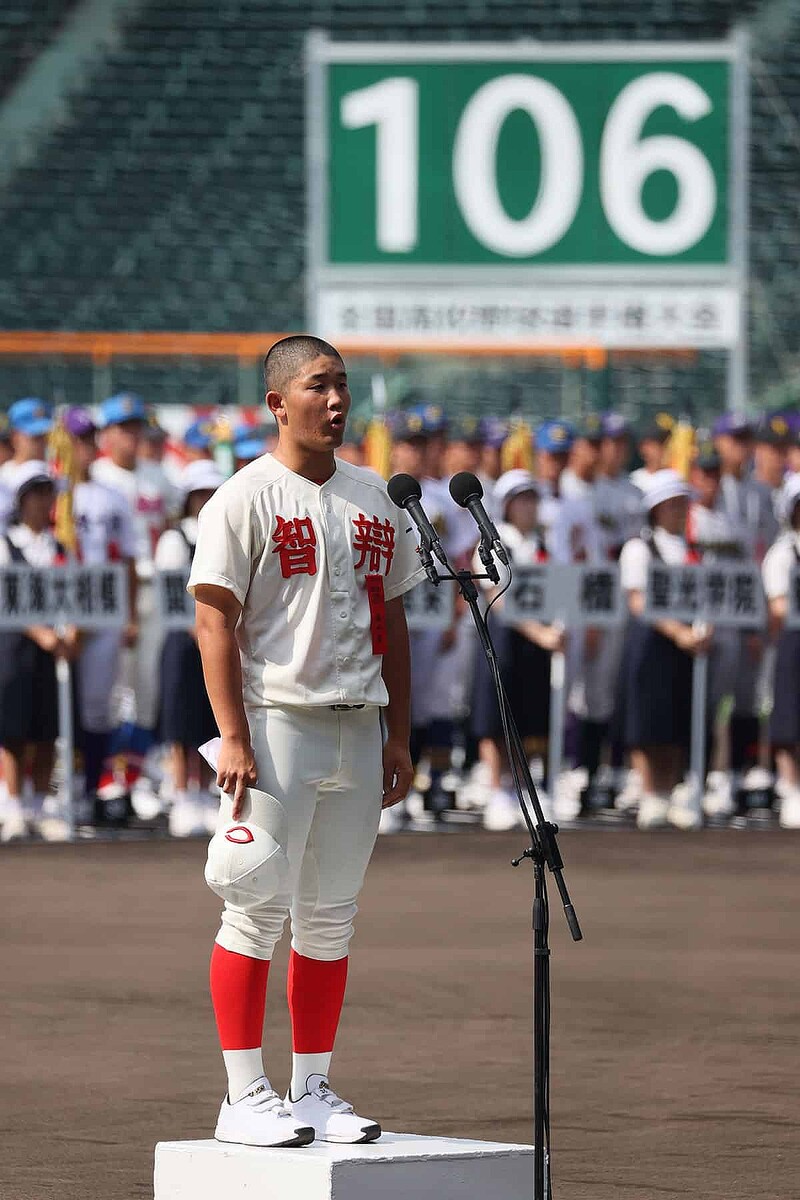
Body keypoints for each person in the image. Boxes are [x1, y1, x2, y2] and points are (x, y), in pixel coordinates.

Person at [188, 335, 424, 1147]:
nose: (336, 401)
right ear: (276, 404)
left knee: (330, 918)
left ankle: (313, 1086)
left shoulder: (376, 498)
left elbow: (395, 619)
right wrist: (232, 736)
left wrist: (401, 733)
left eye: (344, 386)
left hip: (360, 726)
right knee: (252, 904)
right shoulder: (243, 497)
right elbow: (213, 620)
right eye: (319, 386)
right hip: (275, 725)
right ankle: (242, 1093)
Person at [616, 470, 711, 830]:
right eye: (670, 504)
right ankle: (650, 791)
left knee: (677, 716)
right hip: (651, 642)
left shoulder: (695, 551)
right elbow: (638, 600)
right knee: (647, 718)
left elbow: (710, 598)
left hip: (686, 645)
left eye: (681, 504)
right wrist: (678, 632)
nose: (678, 511)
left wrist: (701, 632)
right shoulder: (639, 547)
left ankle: (672, 791)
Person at [471, 470, 563, 832]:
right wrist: (540, 633)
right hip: (504, 639)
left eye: (533, 499)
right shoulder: (493, 545)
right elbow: (499, 598)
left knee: (531, 714)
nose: (529, 507)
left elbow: (559, 589)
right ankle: (497, 790)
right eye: (521, 499)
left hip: (538, 641)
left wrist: (553, 630)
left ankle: (527, 789)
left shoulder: (544, 546)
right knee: (497, 713)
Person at [61, 407, 139, 824]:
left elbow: (127, 558)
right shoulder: (47, 491)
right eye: (77, 439)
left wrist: (130, 615)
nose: (84, 447)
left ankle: (88, 791)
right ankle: (50, 791)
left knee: (96, 708)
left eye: (89, 438)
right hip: (55, 605)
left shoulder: (111, 496)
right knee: (47, 702)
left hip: (101, 606)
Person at [0, 462, 79, 842]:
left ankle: (39, 806)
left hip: (54, 651)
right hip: (15, 648)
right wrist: (42, 633)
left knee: (47, 729)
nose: (43, 500)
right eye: (36, 492)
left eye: (48, 492)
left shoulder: (59, 546)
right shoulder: (5, 542)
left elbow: (78, 595)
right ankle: (15, 806)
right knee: (14, 731)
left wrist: (71, 635)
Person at [155, 459, 225, 837]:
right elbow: (171, 595)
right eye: (200, 493)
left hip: (216, 640)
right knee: (182, 720)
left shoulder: (224, 534)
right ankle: (183, 793)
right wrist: (200, 631)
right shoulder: (175, 539)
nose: (207, 499)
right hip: (184, 643)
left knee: (210, 716)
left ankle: (205, 793)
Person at [762, 473, 800, 828]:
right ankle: (790, 786)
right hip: (793, 639)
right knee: (789, 713)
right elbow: (778, 605)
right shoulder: (784, 552)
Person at [0, 398, 53, 484]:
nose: (43, 443)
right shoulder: (5, 478)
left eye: (45, 436)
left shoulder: (55, 472)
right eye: (35, 437)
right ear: (15, 437)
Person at [629, 417, 672, 493]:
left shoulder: (675, 477)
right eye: (658, 442)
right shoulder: (634, 480)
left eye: (666, 442)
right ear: (643, 448)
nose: (663, 447)